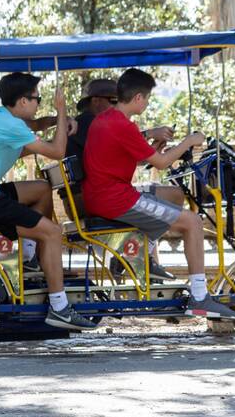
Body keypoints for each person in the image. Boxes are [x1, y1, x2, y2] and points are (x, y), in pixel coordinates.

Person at [82, 67, 235, 317]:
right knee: (192, 221)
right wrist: (189, 142)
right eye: (148, 98)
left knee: (172, 201)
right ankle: (200, 296)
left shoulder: (106, 119)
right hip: (115, 199)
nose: (147, 103)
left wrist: (154, 146)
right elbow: (161, 164)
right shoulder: (123, 126)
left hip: (102, 195)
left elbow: (142, 159)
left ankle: (130, 255)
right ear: (138, 98)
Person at [0, 71, 94, 331]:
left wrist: (58, 122)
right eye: (37, 99)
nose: (39, 103)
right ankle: (59, 307)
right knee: (51, 232)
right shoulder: (10, 125)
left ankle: (29, 259)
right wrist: (61, 112)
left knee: (39, 189)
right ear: (23, 102)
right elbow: (58, 152)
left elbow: (31, 133)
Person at [74, 77, 179, 280]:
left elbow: (118, 154)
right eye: (113, 100)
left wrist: (149, 146)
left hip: (104, 190)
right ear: (95, 100)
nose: (117, 103)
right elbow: (156, 160)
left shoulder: (102, 121)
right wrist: (152, 136)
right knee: (174, 205)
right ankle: (139, 259)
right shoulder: (90, 122)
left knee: (170, 196)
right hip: (101, 196)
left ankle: (142, 259)